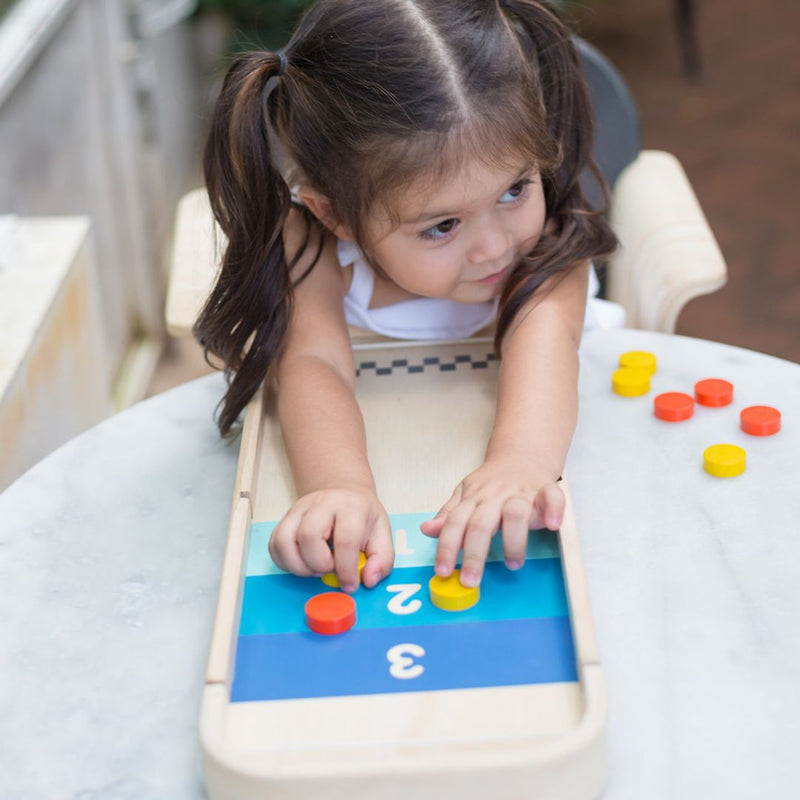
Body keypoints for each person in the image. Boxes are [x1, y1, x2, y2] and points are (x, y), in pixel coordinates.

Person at [195, 0, 620, 594]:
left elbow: (544, 337)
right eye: (442, 226)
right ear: (335, 214)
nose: (495, 247)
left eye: (515, 189)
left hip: (570, 447)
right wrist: (337, 486)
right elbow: (312, 364)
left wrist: (519, 465)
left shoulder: (548, 242)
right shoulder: (311, 245)